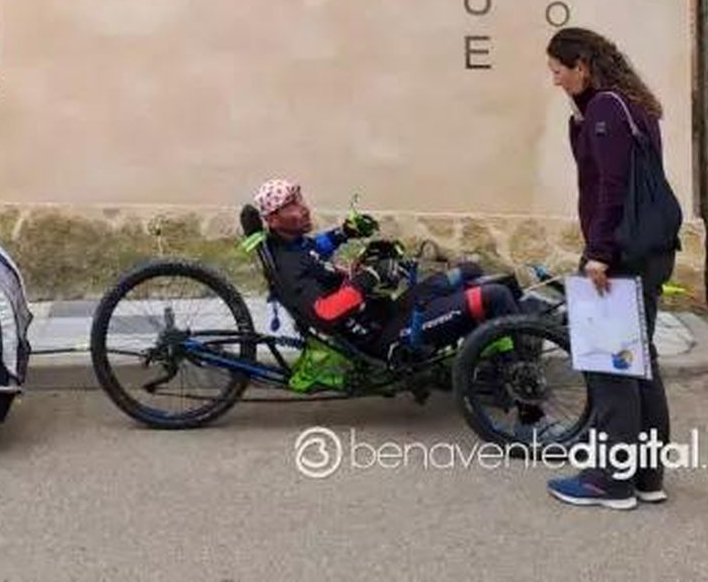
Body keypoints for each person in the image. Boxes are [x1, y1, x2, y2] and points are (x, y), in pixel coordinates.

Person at [544, 26, 674, 511]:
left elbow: (611, 187)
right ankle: (645, 475)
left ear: (582, 66)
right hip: (647, 249)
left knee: (612, 364)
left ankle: (610, 482)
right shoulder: (629, 103)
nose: (556, 81)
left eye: (559, 71)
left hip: (618, 253)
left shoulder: (605, 109)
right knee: (640, 363)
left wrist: (599, 252)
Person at [252, 178, 521, 363]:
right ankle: (527, 404)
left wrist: (345, 232)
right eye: (293, 206)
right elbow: (325, 313)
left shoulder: (292, 244)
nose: (305, 209)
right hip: (384, 337)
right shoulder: (288, 265)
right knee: (495, 296)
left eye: (300, 200)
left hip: (389, 312)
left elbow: (316, 249)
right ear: (273, 219)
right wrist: (369, 278)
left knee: (470, 271)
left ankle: (501, 347)